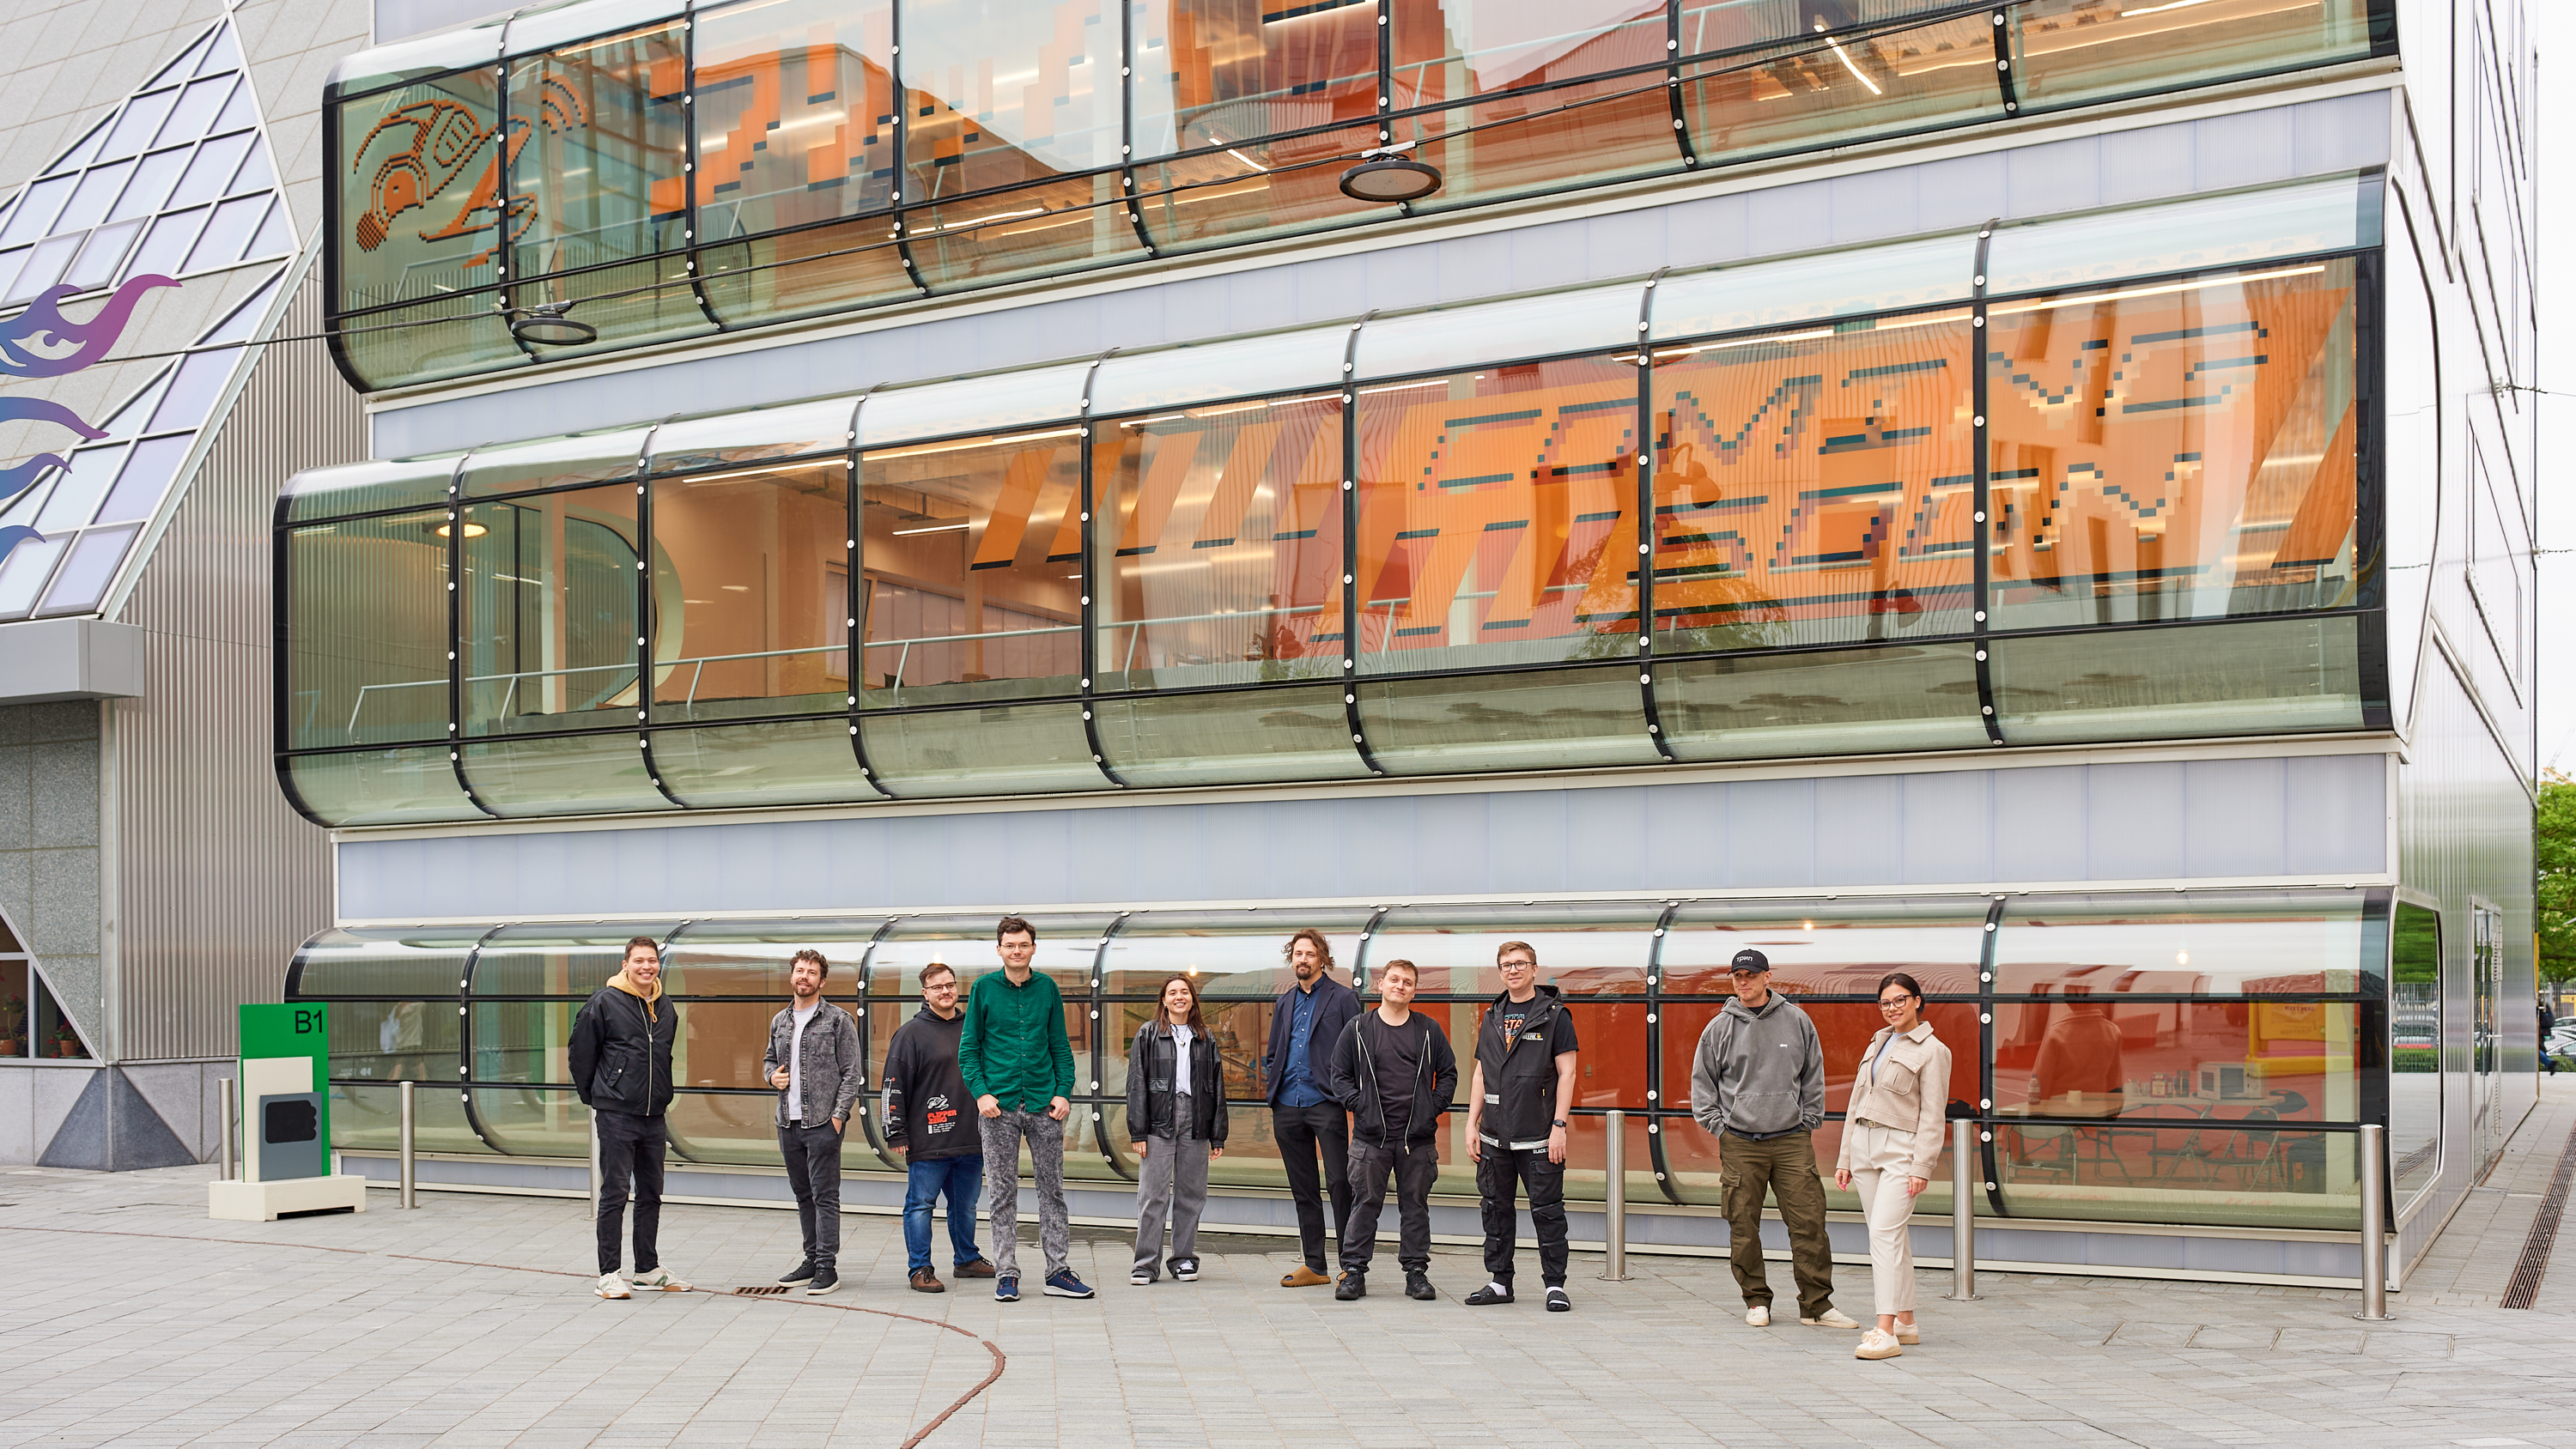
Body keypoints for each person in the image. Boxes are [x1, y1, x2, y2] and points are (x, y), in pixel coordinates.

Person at [1690, 948, 1853, 1330]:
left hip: (1791, 1139)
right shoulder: (1719, 1028)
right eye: (1737, 976)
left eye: (1750, 975)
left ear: (1767, 978)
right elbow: (1703, 1084)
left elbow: (1813, 1074)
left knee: (1809, 1221)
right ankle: (1756, 1300)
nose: (1743, 982)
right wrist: (1720, 1127)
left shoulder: (1796, 1020)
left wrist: (1809, 1119)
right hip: (1741, 1141)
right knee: (1743, 1224)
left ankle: (1816, 1305)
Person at [958, 916, 1093, 1302]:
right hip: (997, 1109)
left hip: (1043, 1105)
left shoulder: (1048, 989)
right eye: (1009, 945)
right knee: (1002, 1194)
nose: (1016, 951)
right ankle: (1007, 1273)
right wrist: (982, 1094)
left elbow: (1060, 1047)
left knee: (1052, 1191)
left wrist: (1063, 1092)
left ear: (1033, 948)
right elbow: (969, 1051)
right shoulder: (983, 989)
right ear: (999, 949)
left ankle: (1058, 1271)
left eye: (1023, 945)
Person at [1834, 972, 1953, 1361]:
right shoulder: (1879, 1042)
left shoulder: (1934, 1051)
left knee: (1883, 1236)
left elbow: (1934, 1116)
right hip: (1864, 1146)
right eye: (1886, 1002)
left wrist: (1923, 1166)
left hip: (1901, 1149)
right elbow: (1856, 1101)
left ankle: (1884, 1331)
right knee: (1891, 1237)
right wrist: (1846, 1158)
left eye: (1900, 1000)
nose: (1893, 1008)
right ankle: (1906, 1320)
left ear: (1918, 1001)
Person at [1325, 957, 1455, 1302]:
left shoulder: (1429, 1030)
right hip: (1371, 1138)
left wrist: (1431, 1109)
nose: (1400, 986)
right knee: (1365, 1204)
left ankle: (1416, 1274)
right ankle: (1353, 1273)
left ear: (1415, 990)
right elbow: (1338, 1075)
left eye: (1407, 982)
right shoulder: (1357, 1028)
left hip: (1417, 1139)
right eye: (1394, 980)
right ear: (1380, 985)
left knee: (1415, 1206)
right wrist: (1360, 1105)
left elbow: (1449, 1074)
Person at [568, 936, 691, 1300]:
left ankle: (647, 1269)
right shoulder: (604, 1003)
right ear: (626, 964)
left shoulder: (664, 1006)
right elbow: (580, 1056)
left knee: (651, 1193)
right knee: (615, 1194)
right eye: (638, 961)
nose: (646, 967)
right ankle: (608, 1273)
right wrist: (600, 1097)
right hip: (617, 1114)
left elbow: (663, 1057)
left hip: (654, 1115)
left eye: (651, 961)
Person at [1464, 941, 1578, 1312]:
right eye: (1506, 965)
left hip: (1539, 1134)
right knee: (1495, 1209)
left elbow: (1567, 1072)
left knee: (1547, 1211)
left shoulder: (1556, 1016)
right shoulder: (1492, 1016)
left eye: (1520, 964)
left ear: (1534, 969)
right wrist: (1471, 1123)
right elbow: (1481, 1071)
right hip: (1494, 1136)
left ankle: (1554, 1286)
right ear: (1500, 972)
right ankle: (1500, 1282)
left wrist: (1559, 1125)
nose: (1513, 970)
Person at [883, 961, 997, 1293]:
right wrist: (896, 1132)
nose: (945, 991)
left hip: (971, 1137)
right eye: (937, 987)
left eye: (949, 985)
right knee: (921, 1206)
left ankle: (966, 1259)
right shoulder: (910, 1034)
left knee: (966, 1206)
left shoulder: (974, 1028)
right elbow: (893, 1084)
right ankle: (920, 1269)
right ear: (925, 994)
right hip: (927, 1140)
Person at [1262, 927, 1361, 1288]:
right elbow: (1274, 1052)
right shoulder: (1285, 1001)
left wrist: (1350, 1094)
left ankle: (1352, 1264)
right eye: (1298, 954)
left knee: (1339, 1183)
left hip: (1326, 1102)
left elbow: (1356, 1050)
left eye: (1310, 954)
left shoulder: (1344, 998)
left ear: (1322, 958)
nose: (1303, 959)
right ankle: (1315, 1265)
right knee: (1303, 1188)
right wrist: (1273, 1085)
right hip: (1287, 1103)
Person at [761, 949, 862, 1295]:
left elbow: (852, 1074)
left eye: (812, 972)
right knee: (803, 1194)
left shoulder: (838, 1020)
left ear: (822, 980)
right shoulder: (780, 1021)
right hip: (787, 1123)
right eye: (800, 971)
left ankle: (826, 1267)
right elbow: (768, 1060)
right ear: (792, 976)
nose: (804, 977)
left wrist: (837, 1117)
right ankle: (810, 1259)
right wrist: (771, 1075)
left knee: (824, 1196)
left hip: (822, 1122)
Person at [1126, 973, 1228, 1285]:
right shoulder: (1147, 1034)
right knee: (1152, 1196)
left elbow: (1217, 1087)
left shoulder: (1205, 1037)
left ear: (1193, 1000)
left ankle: (1183, 1259)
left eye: (1185, 992)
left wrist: (1217, 1134)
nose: (1179, 997)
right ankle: (1145, 1264)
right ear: (1164, 1000)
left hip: (1195, 1120)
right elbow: (1136, 1084)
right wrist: (1138, 1132)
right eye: (1173, 992)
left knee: (1191, 1195)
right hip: (1158, 1122)